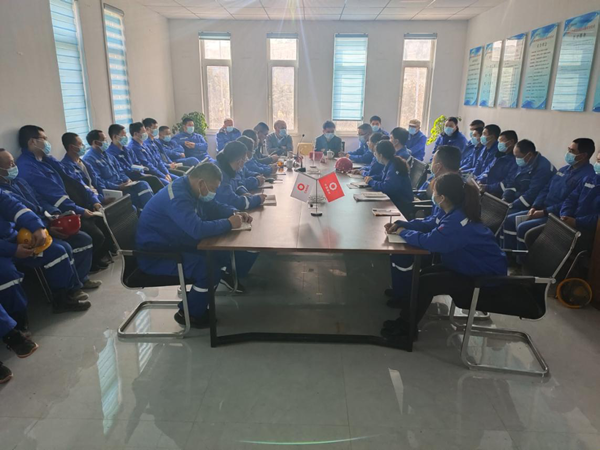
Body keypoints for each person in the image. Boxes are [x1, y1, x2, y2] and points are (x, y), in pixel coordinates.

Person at [382, 173, 507, 339]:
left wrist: (404, 233)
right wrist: (403, 224)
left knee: (428, 283)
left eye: (434, 192)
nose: (432, 195)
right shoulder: (453, 211)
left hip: (485, 278)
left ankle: (406, 330)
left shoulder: (458, 222)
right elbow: (429, 223)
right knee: (425, 274)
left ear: (442, 198)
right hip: (468, 265)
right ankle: (407, 313)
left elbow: (430, 241)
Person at [136, 163, 256, 328]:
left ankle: (200, 297)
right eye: (213, 188)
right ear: (201, 183)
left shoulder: (191, 189)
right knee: (208, 269)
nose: (213, 193)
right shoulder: (178, 197)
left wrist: (233, 213)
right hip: (157, 255)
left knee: (219, 254)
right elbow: (197, 229)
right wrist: (229, 223)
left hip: (174, 242)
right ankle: (190, 314)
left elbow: (213, 206)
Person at [0, 148, 98, 297]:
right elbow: (17, 220)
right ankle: (66, 294)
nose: (14, 166)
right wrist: (45, 227)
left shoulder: (19, 182)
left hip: (41, 223)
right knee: (60, 250)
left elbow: (39, 201)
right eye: (9, 164)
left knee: (83, 239)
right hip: (24, 235)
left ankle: (80, 280)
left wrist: (55, 214)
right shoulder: (4, 190)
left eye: (13, 162)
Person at [16, 125, 112, 272]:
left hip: (74, 204)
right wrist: (80, 210)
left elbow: (75, 180)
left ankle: (95, 260)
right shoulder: (27, 167)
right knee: (94, 234)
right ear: (32, 142)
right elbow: (54, 195)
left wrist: (94, 200)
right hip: (60, 211)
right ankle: (88, 267)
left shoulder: (46, 159)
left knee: (104, 221)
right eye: (44, 139)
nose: (47, 142)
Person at [385, 145, 462, 307]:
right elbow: (434, 220)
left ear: (438, 166)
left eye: (433, 160)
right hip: (439, 236)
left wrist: (405, 232)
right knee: (397, 246)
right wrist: (405, 224)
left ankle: (404, 297)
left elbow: (439, 231)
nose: (430, 164)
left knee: (402, 252)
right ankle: (401, 292)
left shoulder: (455, 191)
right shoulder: (444, 185)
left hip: (447, 245)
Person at [0, 190, 91, 314]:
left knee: (56, 252)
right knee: (7, 275)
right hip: (4, 250)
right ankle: (18, 320)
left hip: (14, 239)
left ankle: (63, 300)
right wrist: (12, 250)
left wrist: (37, 226)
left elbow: (15, 207)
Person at [502, 138, 596, 249]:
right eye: (568, 150)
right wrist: (535, 206)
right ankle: (508, 253)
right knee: (509, 220)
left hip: (555, 215)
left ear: (583, 155)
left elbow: (570, 202)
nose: (568, 153)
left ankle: (522, 259)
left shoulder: (588, 176)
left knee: (523, 228)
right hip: (541, 209)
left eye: (572, 151)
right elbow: (546, 189)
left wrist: (544, 212)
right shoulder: (563, 170)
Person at [83, 130, 153, 210]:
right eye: (104, 140)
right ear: (95, 142)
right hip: (112, 190)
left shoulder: (108, 155)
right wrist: (117, 187)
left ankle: (150, 210)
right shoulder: (89, 159)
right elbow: (98, 181)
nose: (106, 142)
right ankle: (144, 212)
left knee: (143, 184)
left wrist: (127, 179)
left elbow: (120, 171)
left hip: (122, 185)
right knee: (134, 196)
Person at [106, 124, 165, 194]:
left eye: (126, 135)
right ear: (115, 137)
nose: (126, 137)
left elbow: (137, 163)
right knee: (153, 180)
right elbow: (121, 170)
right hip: (127, 179)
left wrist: (141, 171)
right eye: (123, 135)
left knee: (155, 179)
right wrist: (131, 175)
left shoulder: (128, 150)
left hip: (138, 175)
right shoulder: (110, 154)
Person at [502, 139, 556, 215]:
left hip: (533, 205)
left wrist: (512, 205)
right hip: (518, 199)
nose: (516, 159)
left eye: (518, 156)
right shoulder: (525, 162)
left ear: (529, 155)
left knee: (505, 215)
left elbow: (532, 194)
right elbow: (512, 182)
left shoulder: (543, 168)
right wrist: (505, 198)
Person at [365, 140, 413, 218]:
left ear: (381, 155)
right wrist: (372, 178)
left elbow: (387, 187)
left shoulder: (394, 166)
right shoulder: (391, 163)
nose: (375, 156)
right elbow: (382, 176)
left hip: (400, 203)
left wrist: (371, 182)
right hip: (394, 199)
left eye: (375, 153)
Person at [215, 141, 266, 210]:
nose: (244, 164)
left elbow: (238, 184)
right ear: (239, 161)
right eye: (245, 160)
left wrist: (243, 193)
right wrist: (257, 200)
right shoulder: (219, 174)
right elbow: (233, 201)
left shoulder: (229, 167)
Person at [559, 151, 600, 237]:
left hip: (589, 232)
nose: (597, 164)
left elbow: (597, 219)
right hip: (570, 221)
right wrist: (565, 214)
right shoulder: (590, 178)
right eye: (598, 160)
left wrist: (576, 222)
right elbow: (571, 198)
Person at [60, 132, 106, 204]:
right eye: (80, 144)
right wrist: (98, 200)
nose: (83, 146)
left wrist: (104, 195)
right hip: (89, 203)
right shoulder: (66, 167)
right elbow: (81, 189)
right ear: (72, 147)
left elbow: (97, 181)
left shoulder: (85, 164)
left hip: (98, 198)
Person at [127, 122, 171, 186]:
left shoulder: (144, 144)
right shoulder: (134, 147)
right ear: (136, 134)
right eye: (143, 132)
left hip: (159, 172)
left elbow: (157, 160)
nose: (146, 133)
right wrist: (163, 175)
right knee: (170, 186)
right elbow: (148, 165)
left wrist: (166, 173)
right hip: (151, 175)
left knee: (178, 179)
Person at [477, 130, 518, 198]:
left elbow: (507, 182)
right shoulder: (499, 155)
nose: (499, 144)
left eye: (501, 142)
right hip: (487, 189)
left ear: (511, 142)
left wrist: (488, 187)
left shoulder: (514, 161)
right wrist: (480, 180)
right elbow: (488, 169)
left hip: (498, 194)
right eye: (499, 142)